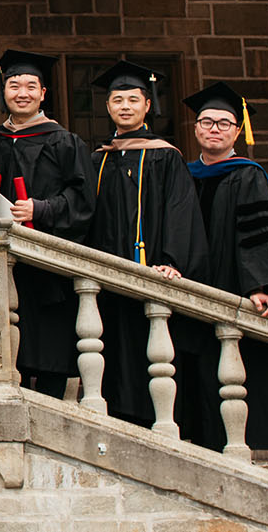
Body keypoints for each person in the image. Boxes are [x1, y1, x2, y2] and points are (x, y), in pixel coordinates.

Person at [86, 59, 208, 428]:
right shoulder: (98, 159)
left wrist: (172, 259)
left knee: (149, 347)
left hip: (151, 271)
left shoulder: (166, 156)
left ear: (147, 105)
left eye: (133, 99)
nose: (125, 106)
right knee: (112, 348)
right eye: (118, 100)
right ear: (108, 107)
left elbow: (180, 212)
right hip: (108, 282)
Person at [179, 81, 268, 451]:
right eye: (207, 121)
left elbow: (259, 234)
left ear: (237, 131)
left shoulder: (249, 175)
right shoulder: (184, 175)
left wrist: (262, 285)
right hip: (192, 291)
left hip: (234, 288)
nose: (214, 129)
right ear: (195, 129)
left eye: (224, 123)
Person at [0, 50, 95, 398]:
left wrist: (42, 209)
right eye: (14, 85)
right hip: (3, 264)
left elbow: (83, 201)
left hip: (48, 264)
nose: (22, 93)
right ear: (3, 92)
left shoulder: (64, 141)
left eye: (30, 86)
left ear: (43, 93)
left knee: (49, 348)